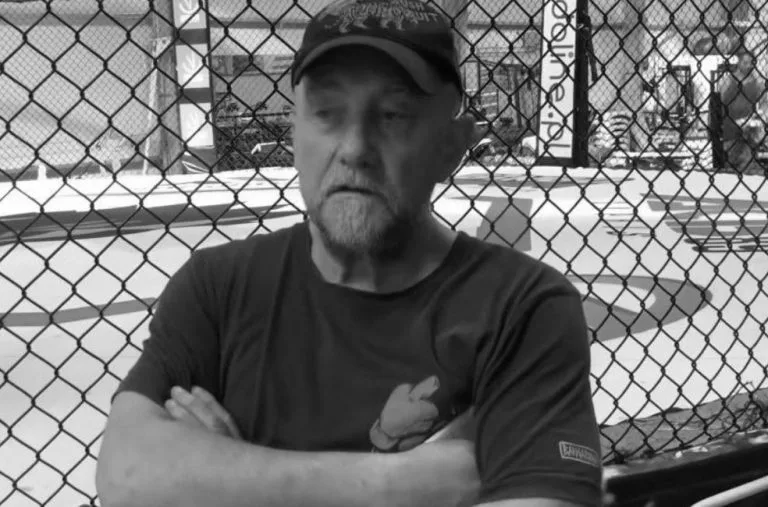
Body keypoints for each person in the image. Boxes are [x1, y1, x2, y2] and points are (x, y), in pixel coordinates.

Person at [95, 1, 602, 506]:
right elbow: (128, 476)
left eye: (393, 115)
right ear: (294, 131)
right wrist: (396, 486)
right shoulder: (217, 288)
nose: (355, 148)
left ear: (452, 145)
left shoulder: (522, 306)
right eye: (326, 113)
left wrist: (222, 479)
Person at [718, 47, 768, 174]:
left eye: (751, 63)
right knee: (731, 164)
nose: (748, 66)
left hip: (750, 130)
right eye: (745, 62)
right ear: (739, 62)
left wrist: (760, 116)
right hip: (730, 129)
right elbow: (721, 104)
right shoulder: (728, 80)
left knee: (748, 165)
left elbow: (764, 102)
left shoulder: (757, 82)